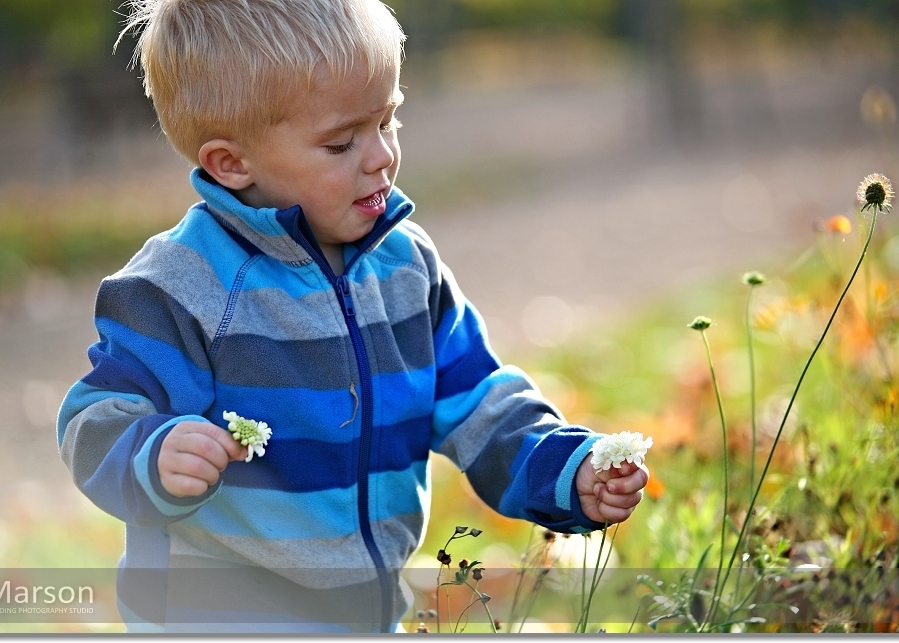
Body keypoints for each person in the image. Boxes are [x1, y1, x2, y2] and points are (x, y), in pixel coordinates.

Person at [57, 0, 649, 633]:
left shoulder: (404, 267)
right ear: (231, 163)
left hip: (365, 608)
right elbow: (92, 421)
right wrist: (155, 453)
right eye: (341, 142)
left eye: (388, 121)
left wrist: (564, 470)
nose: (380, 158)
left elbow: (479, 401)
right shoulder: (181, 286)